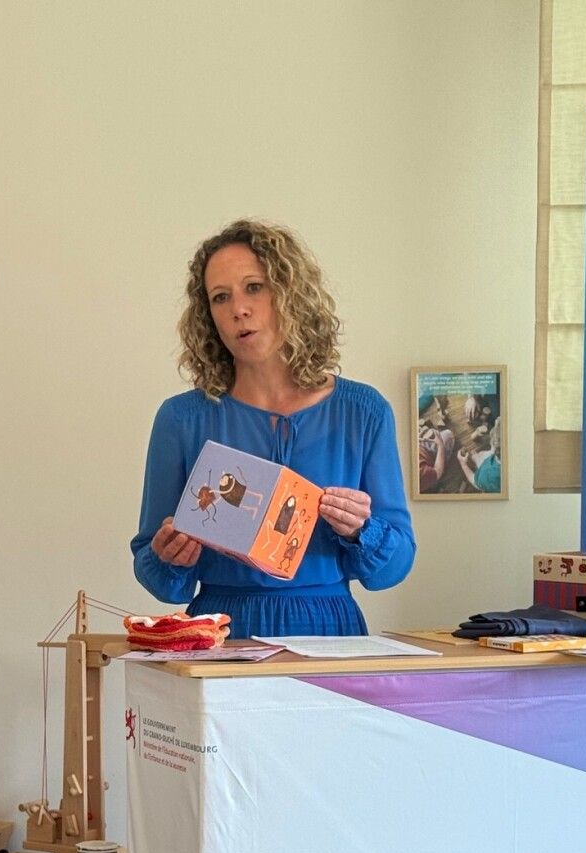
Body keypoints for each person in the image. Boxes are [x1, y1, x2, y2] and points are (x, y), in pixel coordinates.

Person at [131, 220, 415, 636]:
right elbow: (158, 577)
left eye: (254, 287)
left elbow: (394, 568)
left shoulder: (364, 412)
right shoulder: (181, 420)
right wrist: (168, 554)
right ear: (208, 316)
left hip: (329, 633)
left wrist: (362, 530)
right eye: (220, 297)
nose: (238, 309)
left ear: (290, 293)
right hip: (221, 633)